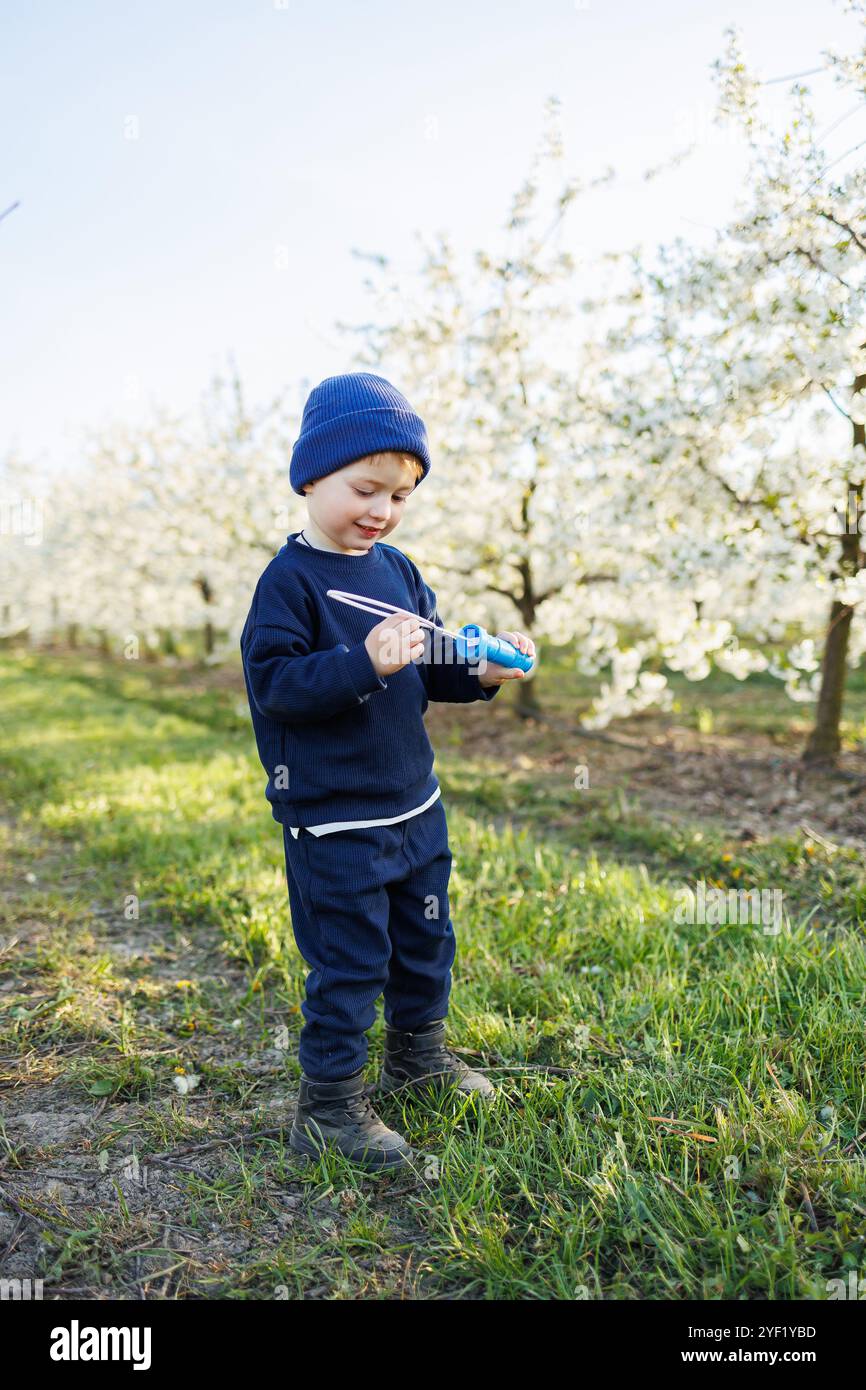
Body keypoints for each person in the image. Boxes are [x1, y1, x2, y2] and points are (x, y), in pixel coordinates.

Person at [240, 372, 536, 1170]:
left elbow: (428, 663)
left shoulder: (398, 570)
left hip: (415, 807)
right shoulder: (289, 583)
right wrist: (359, 663)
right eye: (364, 489)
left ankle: (417, 1058)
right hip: (336, 819)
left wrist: (473, 673)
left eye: (400, 496)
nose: (380, 510)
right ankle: (329, 1107)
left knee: (424, 942)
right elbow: (276, 686)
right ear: (311, 478)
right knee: (350, 962)